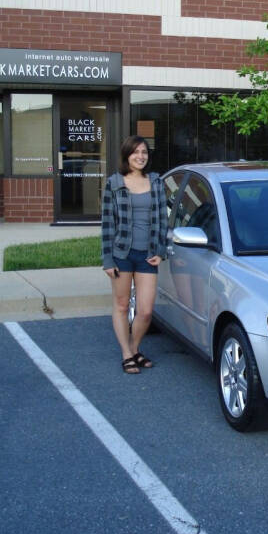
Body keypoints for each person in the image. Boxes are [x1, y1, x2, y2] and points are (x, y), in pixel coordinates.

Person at [101, 135, 167, 374]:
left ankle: (134, 347)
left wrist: (160, 251)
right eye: (135, 152)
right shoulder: (115, 183)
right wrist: (107, 259)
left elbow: (162, 220)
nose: (140, 156)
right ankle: (127, 354)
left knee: (146, 311)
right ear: (127, 155)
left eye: (144, 152)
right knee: (120, 305)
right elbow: (108, 224)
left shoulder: (156, 182)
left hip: (147, 255)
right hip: (121, 254)